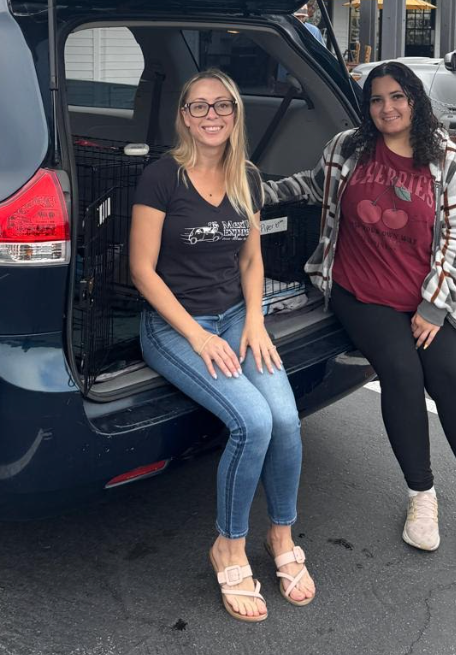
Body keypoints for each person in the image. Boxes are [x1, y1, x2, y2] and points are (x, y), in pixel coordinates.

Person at [265, 61, 456, 557]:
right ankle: (422, 495)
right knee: (401, 371)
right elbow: (309, 185)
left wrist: (433, 308)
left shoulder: (445, 159)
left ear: (415, 101)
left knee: (452, 376)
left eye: (397, 97)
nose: (387, 108)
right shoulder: (347, 148)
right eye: (376, 99)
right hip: (360, 292)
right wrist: (249, 192)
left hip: (425, 296)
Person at [130, 68, 315, 622]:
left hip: (236, 315)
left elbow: (251, 259)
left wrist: (254, 320)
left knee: (285, 419)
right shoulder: (162, 177)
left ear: (236, 114)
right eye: (199, 106)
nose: (211, 116)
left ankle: (281, 537)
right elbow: (141, 270)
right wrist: (198, 335)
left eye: (223, 106)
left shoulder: (246, 177)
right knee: (252, 422)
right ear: (184, 117)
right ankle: (228, 547)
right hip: (175, 326)